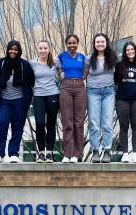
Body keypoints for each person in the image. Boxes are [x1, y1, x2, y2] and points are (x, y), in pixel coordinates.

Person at [0, 40, 35, 163]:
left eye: (16, 49)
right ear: (7, 50)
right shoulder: (0, 63)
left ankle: (14, 154)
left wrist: (28, 98)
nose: (13, 51)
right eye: (11, 49)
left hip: (19, 102)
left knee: (17, 127)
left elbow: (32, 80)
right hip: (4, 101)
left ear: (19, 51)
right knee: (1, 124)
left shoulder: (24, 65)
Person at [85, 33, 118, 163]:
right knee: (94, 123)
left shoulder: (113, 58)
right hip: (93, 92)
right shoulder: (88, 59)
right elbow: (82, 75)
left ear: (106, 43)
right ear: (94, 44)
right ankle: (95, 151)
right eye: (97, 42)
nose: (100, 44)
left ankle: (107, 150)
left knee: (107, 122)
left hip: (109, 92)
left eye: (102, 41)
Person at [58, 34, 87, 163]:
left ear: (77, 43)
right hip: (66, 88)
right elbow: (56, 65)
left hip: (80, 88)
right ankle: (67, 154)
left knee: (79, 122)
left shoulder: (82, 57)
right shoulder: (62, 56)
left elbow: (86, 69)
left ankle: (77, 154)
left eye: (74, 43)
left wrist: (82, 78)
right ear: (66, 44)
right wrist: (60, 73)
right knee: (67, 121)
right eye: (69, 43)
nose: (72, 45)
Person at [30, 40, 60, 163]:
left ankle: (49, 154)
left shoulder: (56, 62)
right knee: (40, 123)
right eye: (41, 48)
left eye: (45, 48)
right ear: (38, 49)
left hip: (53, 95)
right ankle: (41, 152)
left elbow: (63, 74)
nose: (43, 50)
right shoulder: (32, 63)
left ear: (49, 49)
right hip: (38, 96)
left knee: (51, 125)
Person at [114, 41, 136, 163]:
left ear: (135, 51)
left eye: (132, 49)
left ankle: (135, 154)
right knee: (123, 127)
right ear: (125, 52)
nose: (130, 51)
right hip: (122, 99)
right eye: (127, 50)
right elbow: (114, 81)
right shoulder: (119, 65)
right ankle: (125, 154)